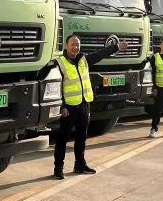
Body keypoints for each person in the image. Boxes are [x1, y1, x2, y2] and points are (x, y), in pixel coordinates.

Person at [42, 34, 127, 180]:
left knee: (81, 137)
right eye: (72, 45)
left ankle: (80, 164)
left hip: (84, 103)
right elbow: (56, 87)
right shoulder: (59, 63)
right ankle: (58, 169)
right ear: (66, 46)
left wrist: (117, 47)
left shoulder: (83, 59)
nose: (75, 47)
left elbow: (100, 54)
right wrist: (62, 106)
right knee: (62, 139)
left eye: (77, 45)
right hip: (69, 107)